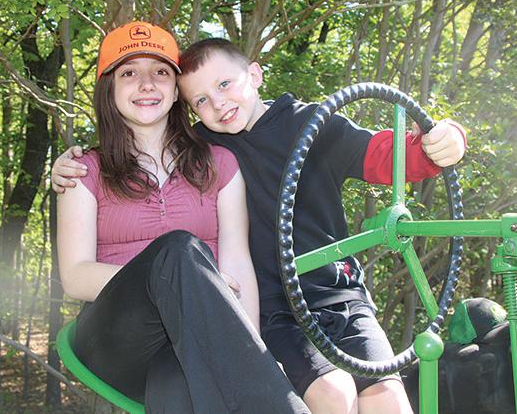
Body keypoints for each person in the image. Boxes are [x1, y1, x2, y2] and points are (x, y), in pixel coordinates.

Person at [53, 37, 466, 414]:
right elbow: (84, 265)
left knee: (388, 400)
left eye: (225, 85)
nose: (218, 104)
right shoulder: (196, 151)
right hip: (275, 309)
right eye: (201, 100)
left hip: (338, 295)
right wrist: (67, 165)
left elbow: (385, 156)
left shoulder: (291, 132)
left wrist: (439, 143)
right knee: (334, 393)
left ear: (254, 74)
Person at [56, 22, 308, 414]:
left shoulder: (220, 164)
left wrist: (251, 347)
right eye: (129, 73)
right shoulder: (83, 170)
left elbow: (237, 263)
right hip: (116, 338)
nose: (146, 84)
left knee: (178, 384)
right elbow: (74, 277)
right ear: (110, 89)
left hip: (195, 341)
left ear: (176, 90)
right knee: (179, 251)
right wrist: (184, 280)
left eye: (160, 72)